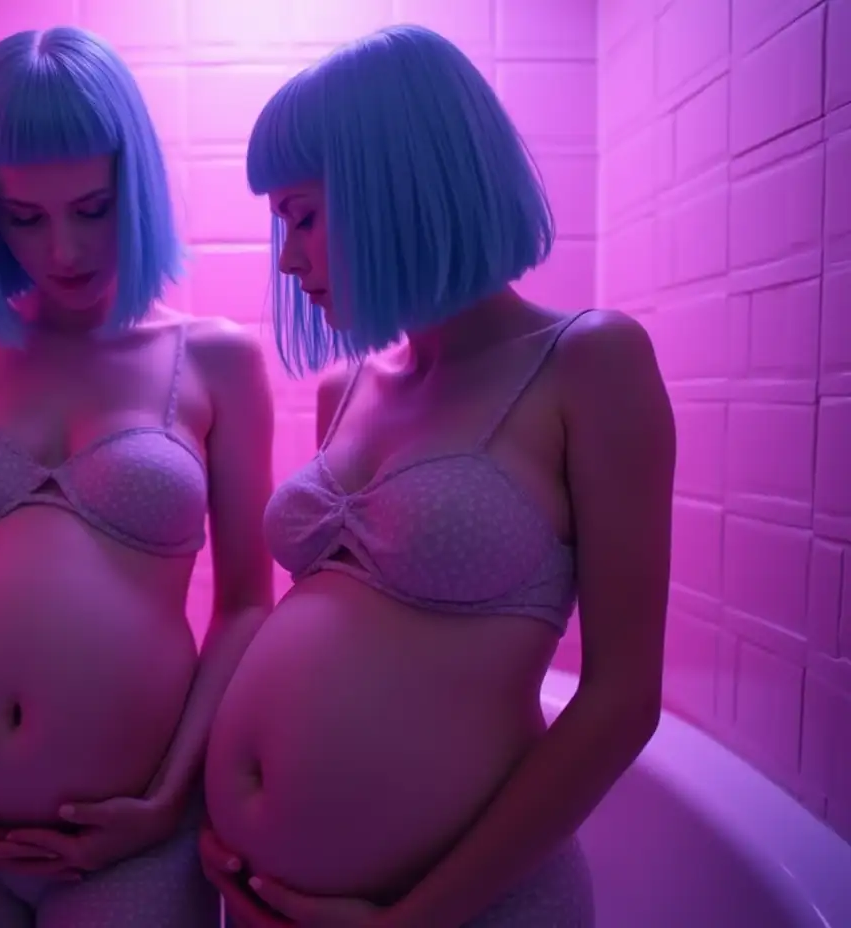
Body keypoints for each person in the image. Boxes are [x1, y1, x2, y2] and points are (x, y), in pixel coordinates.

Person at [200, 24, 675, 928]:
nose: (290, 258)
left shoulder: (589, 363)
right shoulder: (347, 390)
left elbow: (622, 700)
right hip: (266, 897)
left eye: (304, 215)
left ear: (395, 188)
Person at [0, 26, 275, 927]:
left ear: (135, 188)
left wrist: (173, 796)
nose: (63, 249)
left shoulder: (213, 361)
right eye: (25, 217)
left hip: (134, 838)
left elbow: (248, 601)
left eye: (92, 207)